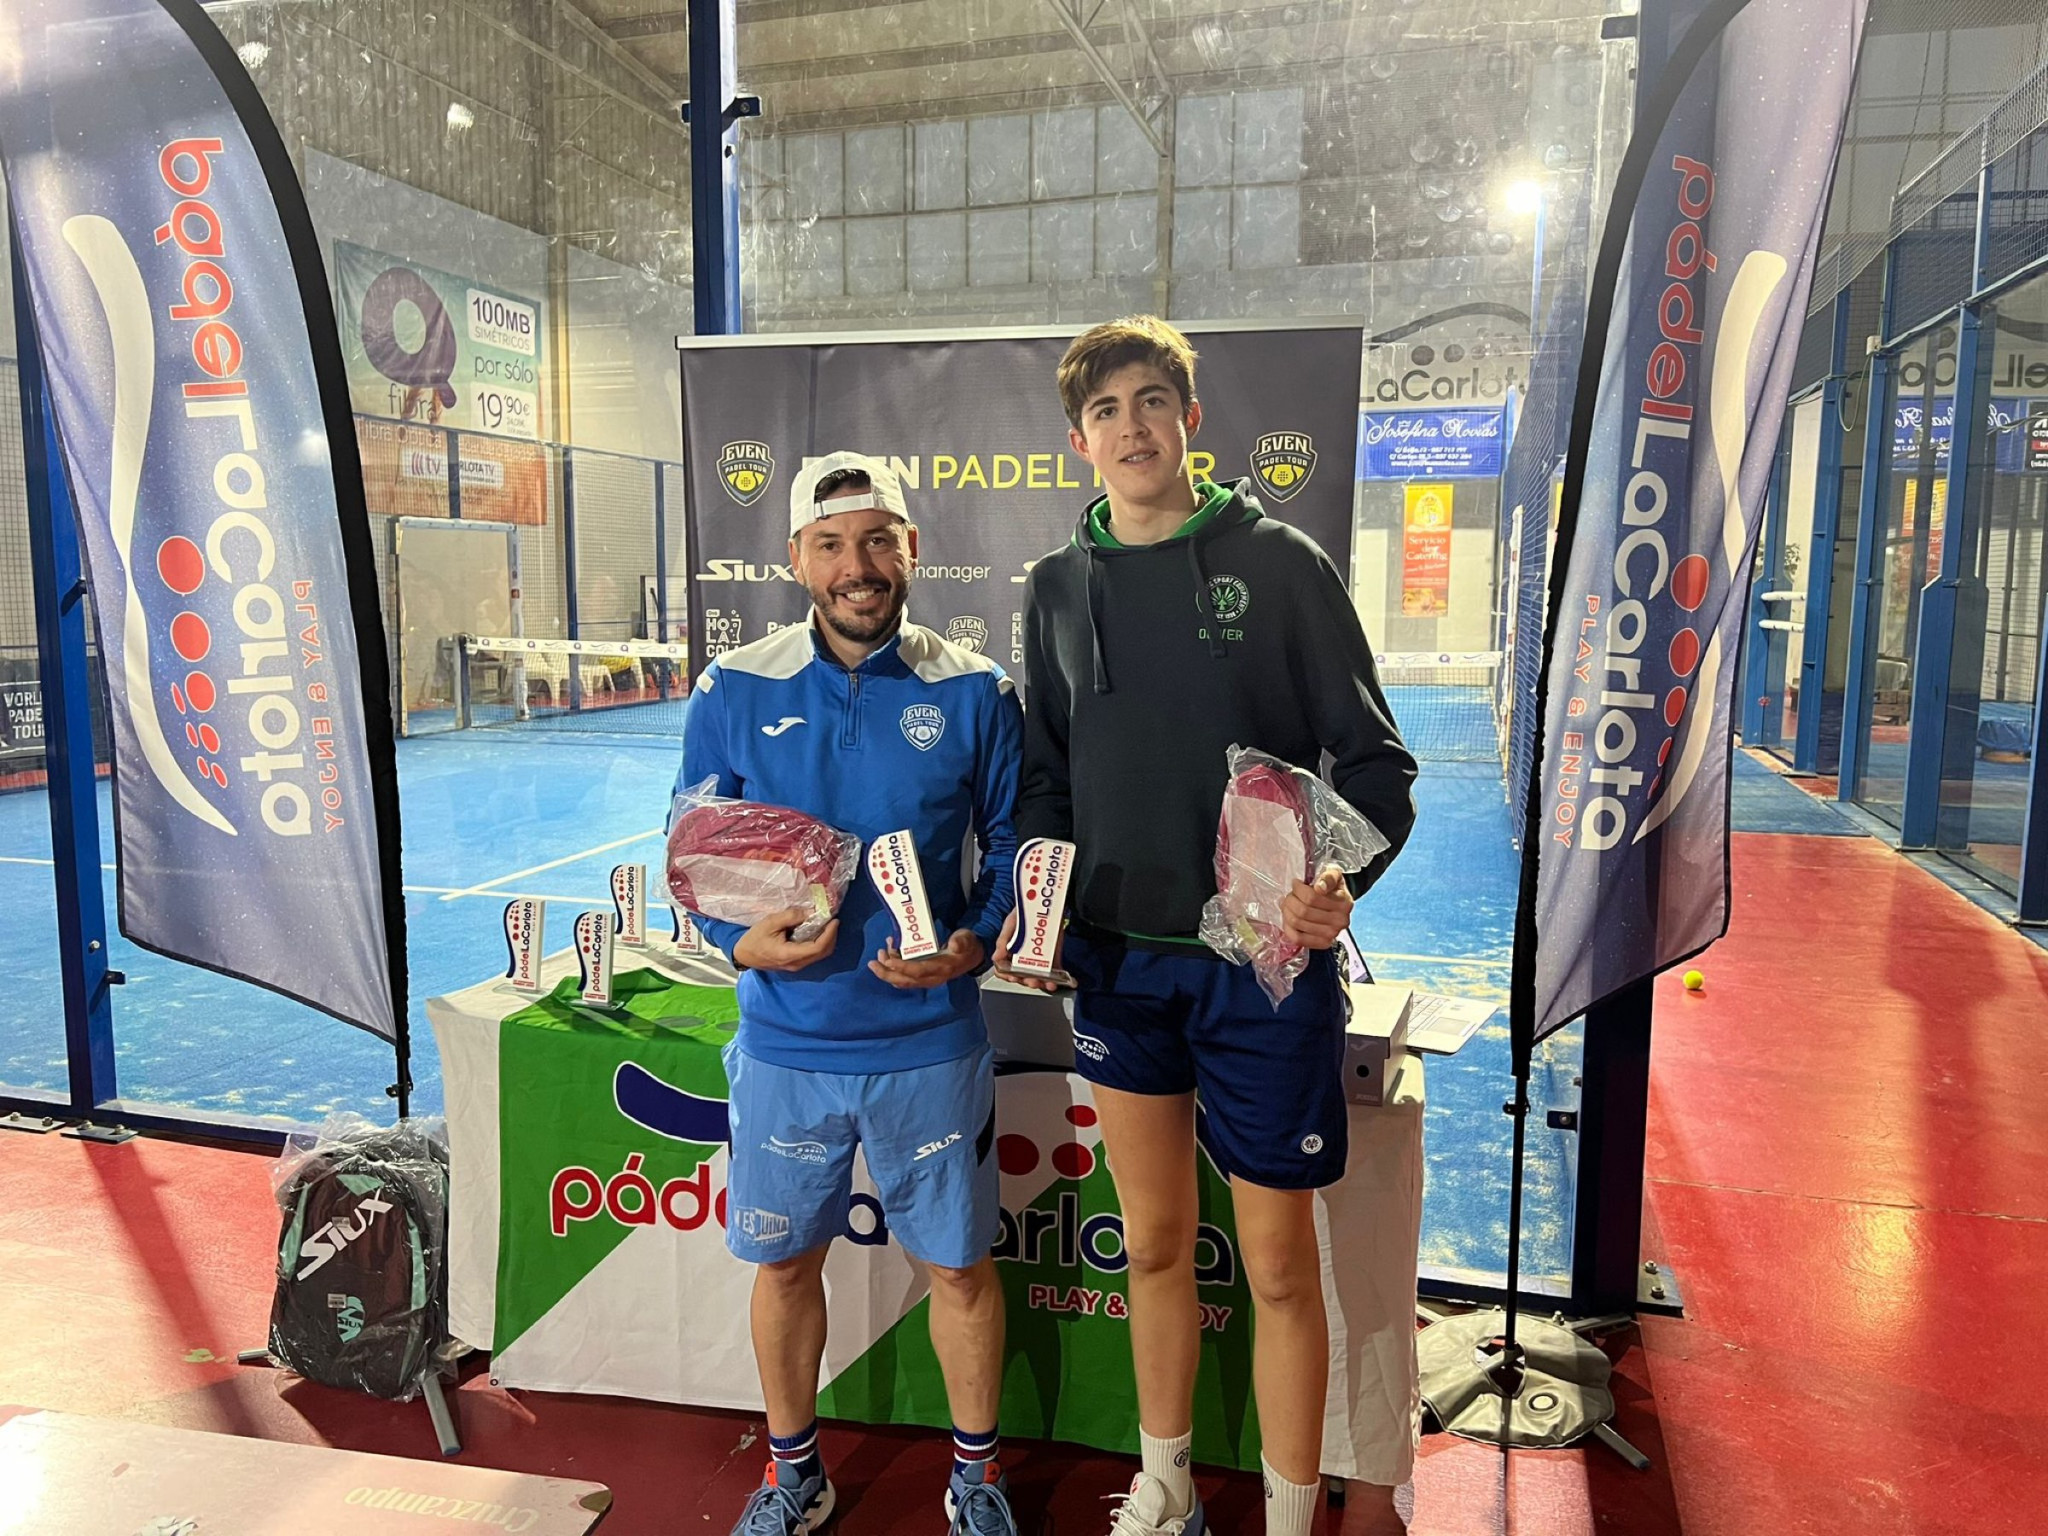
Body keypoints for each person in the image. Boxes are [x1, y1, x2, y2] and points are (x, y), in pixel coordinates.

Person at [996, 317, 1417, 1536]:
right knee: (1150, 1246)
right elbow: (1045, 781)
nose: (1130, 427)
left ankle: (1286, 1515)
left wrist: (1335, 882)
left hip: (1259, 978)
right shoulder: (1054, 589)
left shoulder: (1279, 564)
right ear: (1078, 441)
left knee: (1277, 1265)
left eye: (1150, 401)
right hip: (1119, 972)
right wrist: (1043, 906)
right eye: (1105, 411)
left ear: (1189, 418)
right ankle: (1165, 1484)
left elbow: (1374, 764)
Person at [675, 452, 1024, 1536]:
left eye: (877, 541)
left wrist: (970, 944)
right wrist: (738, 944)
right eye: (830, 544)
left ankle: (976, 1481)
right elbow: (693, 853)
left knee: (959, 1271)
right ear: (796, 559)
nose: (856, 566)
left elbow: (1013, 847)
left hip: (930, 1042)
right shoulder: (732, 688)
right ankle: (794, 1477)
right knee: (784, 1267)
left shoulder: (977, 691)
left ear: (910, 550)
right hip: (787, 1046)